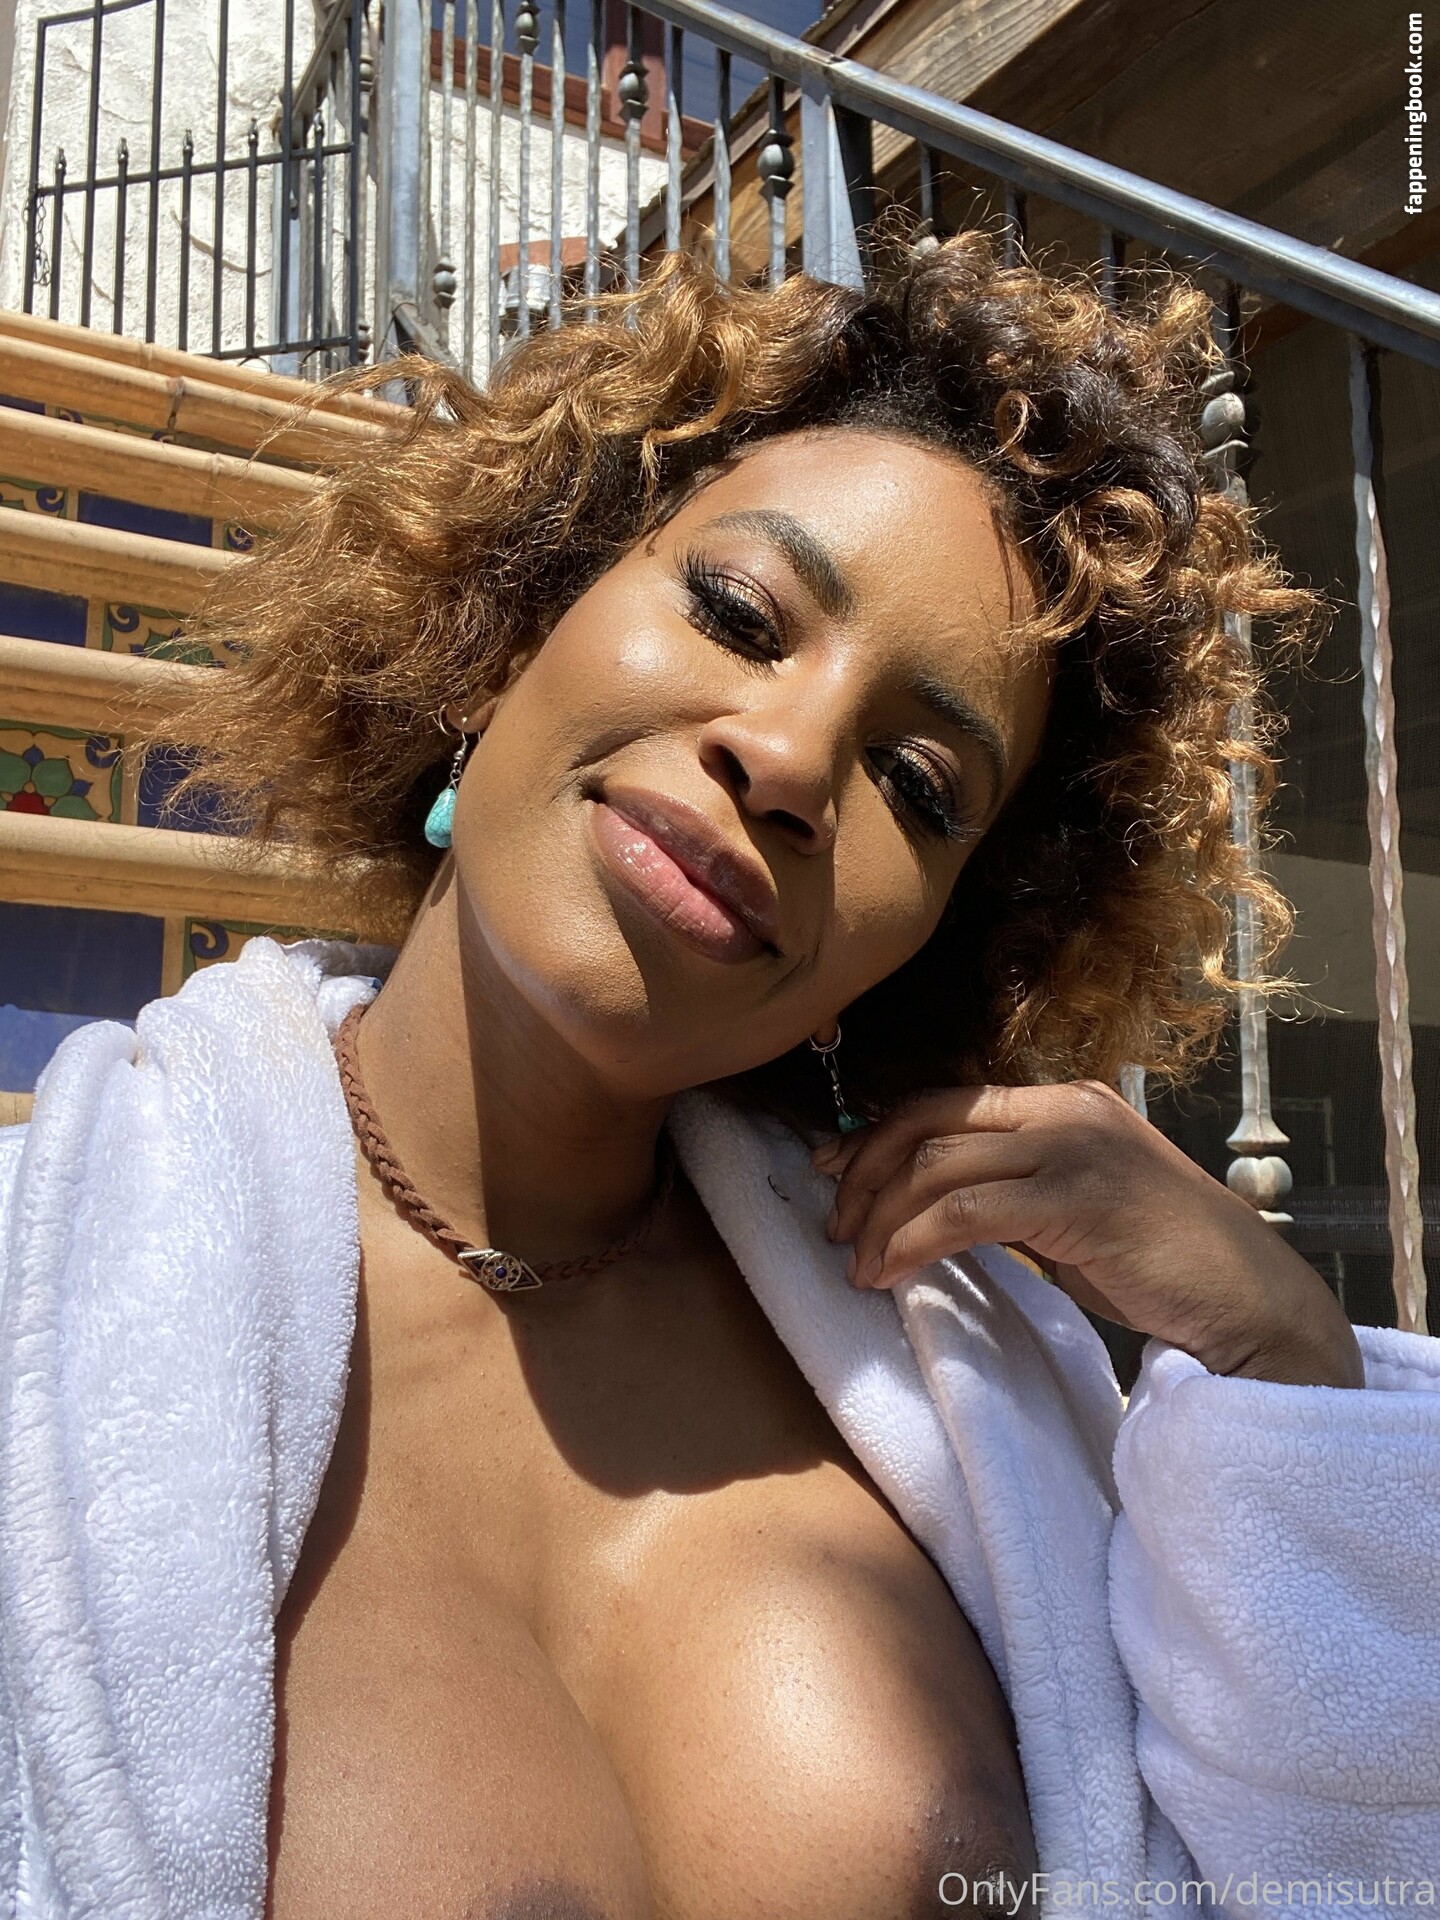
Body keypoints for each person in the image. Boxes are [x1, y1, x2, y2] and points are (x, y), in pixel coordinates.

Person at [0, 234, 1437, 1920]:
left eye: (918, 781)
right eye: (740, 614)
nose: (791, 758)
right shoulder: (46, 1300)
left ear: (930, 942)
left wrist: (1283, 1359)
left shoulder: (981, 1397)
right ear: (512, 625)